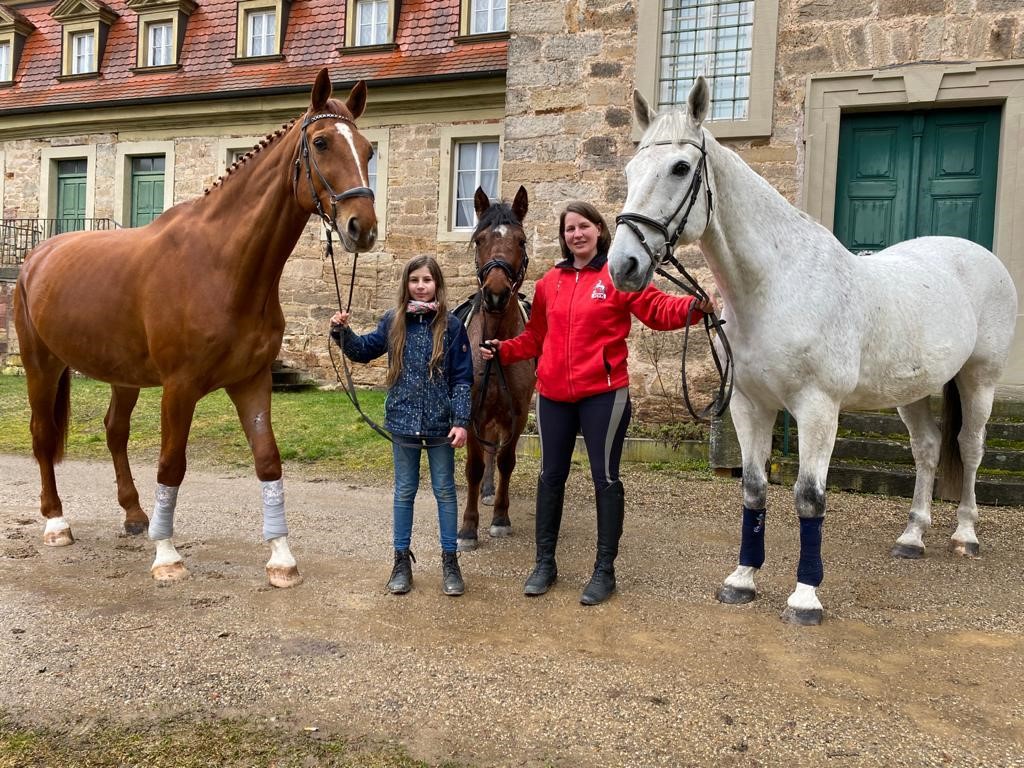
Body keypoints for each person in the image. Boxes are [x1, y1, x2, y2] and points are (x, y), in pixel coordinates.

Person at [481, 201, 714, 605]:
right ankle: (544, 563)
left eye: (583, 227)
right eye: (569, 229)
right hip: (554, 396)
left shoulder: (617, 274)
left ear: (599, 231)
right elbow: (536, 338)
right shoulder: (548, 283)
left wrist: (693, 308)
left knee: (604, 479)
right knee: (550, 478)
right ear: (563, 236)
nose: (576, 234)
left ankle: (604, 571)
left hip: (604, 395)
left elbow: (656, 309)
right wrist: (503, 350)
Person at [331, 255, 473, 597]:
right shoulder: (393, 321)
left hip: (441, 425)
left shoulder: (451, 326)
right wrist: (342, 332)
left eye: (427, 280)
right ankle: (400, 562)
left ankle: (450, 562)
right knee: (404, 491)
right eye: (414, 280)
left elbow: (463, 378)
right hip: (403, 420)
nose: (421, 286)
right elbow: (364, 350)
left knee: (444, 492)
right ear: (406, 284)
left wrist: (462, 421)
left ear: (437, 284)